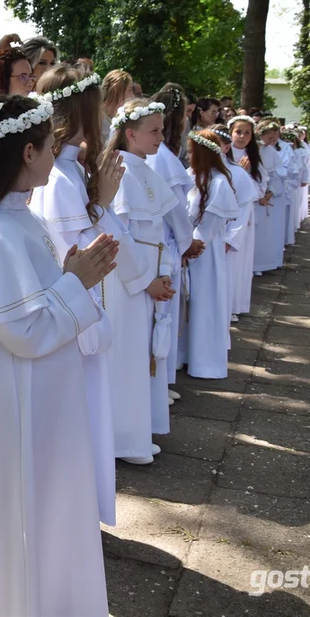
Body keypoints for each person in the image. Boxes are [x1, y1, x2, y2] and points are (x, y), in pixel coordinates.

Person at [0, 94, 116, 617]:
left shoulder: (18, 217)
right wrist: (76, 284)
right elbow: (25, 334)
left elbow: (34, 303)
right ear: (27, 154)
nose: (55, 152)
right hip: (22, 395)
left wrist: (69, 277)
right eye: (48, 145)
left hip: (44, 390)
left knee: (51, 501)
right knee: (22, 505)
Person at [28, 64, 129, 526]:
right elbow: (86, 253)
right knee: (80, 413)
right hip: (72, 314)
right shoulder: (60, 178)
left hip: (77, 310)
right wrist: (102, 203)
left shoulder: (66, 170)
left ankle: (80, 511)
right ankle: (75, 513)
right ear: (82, 111)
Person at [106, 98, 178, 465]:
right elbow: (120, 234)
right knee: (127, 355)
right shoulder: (120, 171)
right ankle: (122, 438)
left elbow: (158, 232)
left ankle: (135, 433)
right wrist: (147, 278)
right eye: (154, 130)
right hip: (127, 279)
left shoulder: (145, 170)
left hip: (147, 274)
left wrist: (162, 270)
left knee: (143, 355)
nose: (160, 137)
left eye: (162, 130)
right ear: (130, 134)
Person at [146, 84, 201, 399]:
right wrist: (187, 243)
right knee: (163, 318)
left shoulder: (157, 156)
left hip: (161, 245)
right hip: (165, 245)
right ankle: (160, 383)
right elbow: (176, 208)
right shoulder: (164, 158)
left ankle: (161, 381)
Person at [184, 131, 240, 379]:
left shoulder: (218, 183)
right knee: (188, 307)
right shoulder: (191, 176)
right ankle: (184, 356)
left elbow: (211, 225)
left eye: (191, 151)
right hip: (188, 249)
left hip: (205, 253)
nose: (187, 155)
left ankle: (204, 363)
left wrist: (192, 245)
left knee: (204, 306)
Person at [212, 124, 258, 322]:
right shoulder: (197, 170)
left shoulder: (236, 174)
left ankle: (229, 307)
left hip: (226, 236)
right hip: (205, 240)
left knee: (229, 274)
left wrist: (231, 238)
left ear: (225, 147)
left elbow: (243, 210)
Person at [227, 115, 267, 312]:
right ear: (230, 133)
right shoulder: (222, 155)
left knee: (242, 260)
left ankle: (238, 304)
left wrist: (247, 174)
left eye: (246, 133)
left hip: (246, 213)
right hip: (227, 213)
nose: (242, 136)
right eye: (238, 132)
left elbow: (259, 190)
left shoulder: (254, 157)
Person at [253, 120, 288, 275]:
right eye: (270, 138)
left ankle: (260, 264)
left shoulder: (270, 151)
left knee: (263, 234)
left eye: (275, 139)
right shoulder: (252, 149)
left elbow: (275, 175)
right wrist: (258, 194)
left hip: (265, 197)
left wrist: (270, 192)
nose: (272, 142)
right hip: (253, 196)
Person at [100, 69, 135, 146]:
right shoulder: (98, 119)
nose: (133, 96)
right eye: (129, 90)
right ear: (116, 90)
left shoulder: (122, 117)